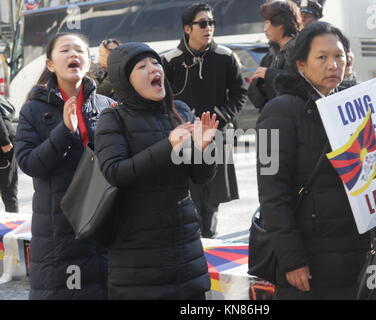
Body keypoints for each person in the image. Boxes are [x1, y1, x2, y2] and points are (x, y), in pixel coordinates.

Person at [256, 22, 371, 300]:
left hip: (353, 253)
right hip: (308, 259)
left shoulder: (351, 107)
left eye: (339, 56)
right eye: (322, 57)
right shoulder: (277, 111)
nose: (333, 65)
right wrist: (292, 259)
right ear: (301, 65)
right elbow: (271, 193)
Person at [95, 42, 218, 300]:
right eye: (141, 66)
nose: (153, 69)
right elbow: (115, 172)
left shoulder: (180, 111)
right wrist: (169, 146)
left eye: (155, 63)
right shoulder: (113, 118)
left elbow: (200, 177)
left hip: (184, 240)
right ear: (125, 80)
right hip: (137, 251)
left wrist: (204, 149)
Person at [15, 32, 111, 300]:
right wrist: (64, 131)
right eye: (65, 50)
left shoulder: (106, 107)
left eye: (80, 50)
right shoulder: (33, 110)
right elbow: (29, 163)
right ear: (50, 64)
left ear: (89, 60)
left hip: (102, 220)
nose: (73, 55)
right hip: (58, 227)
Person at [162, 3, 246, 238]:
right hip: (183, 140)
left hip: (215, 137)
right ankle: (190, 247)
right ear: (187, 28)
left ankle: (207, 247)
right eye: (202, 23)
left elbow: (239, 94)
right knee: (186, 198)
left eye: (211, 23)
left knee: (211, 202)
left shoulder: (226, 57)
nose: (208, 27)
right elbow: (160, 99)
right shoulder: (169, 60)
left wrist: (222, 116)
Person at [248, 0, 302, 111]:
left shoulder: (302, 51)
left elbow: (304, 87)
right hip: (274, 119)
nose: (264, 29)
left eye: (268, 22)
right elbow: (255, 98)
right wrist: (260, 84)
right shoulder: (269, 56)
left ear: (280, 23)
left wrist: (270, 75)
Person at [0, 96, 18, 212]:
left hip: (4, 144)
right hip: (6, 140)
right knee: (9, 191)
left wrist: (4, 142)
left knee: (8, 190)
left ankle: (13, 223)